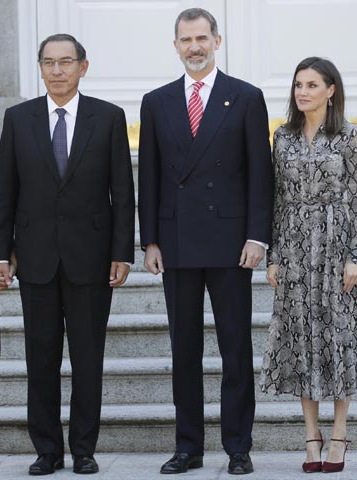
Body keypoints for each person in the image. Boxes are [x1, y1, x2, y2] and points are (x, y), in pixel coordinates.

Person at [0, 33, 135, 476]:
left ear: (83, 67)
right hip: (34, 259)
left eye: (66, 62)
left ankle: (84, 449)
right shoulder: (18, 118)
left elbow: (122, 193)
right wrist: (0, 255)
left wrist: (122, 252)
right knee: (41, 357)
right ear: (40, 67)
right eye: (49, 62)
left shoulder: (108, 118)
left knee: (89, 358)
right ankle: (47, 450)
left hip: (91, 259)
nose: (57, 70)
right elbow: (4, 194)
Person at [137, 8, 273, 476]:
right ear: (175, 45)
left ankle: (238, 446)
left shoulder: (246, 97)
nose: (194, 46)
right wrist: (149, 240)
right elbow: (150, 177)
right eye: (185, 39)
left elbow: (261, 172)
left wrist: (259, 235)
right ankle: (188, 447)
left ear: (218, 40)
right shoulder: (156, 102)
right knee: (184, 350)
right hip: (176, 243)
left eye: (201, 37)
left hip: (233, 243)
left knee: (235, 349)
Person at [259, 57, 357, 474]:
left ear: (331, 90)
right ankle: (311, 437)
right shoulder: (283, 137)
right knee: (301, 340)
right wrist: (273, 256)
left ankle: (340, 434)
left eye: (312, 84)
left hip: (335, 246)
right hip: (294, 248)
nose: (303, 91)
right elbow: (275, 199)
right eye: (298, 84)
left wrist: (355, 258)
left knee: (338, 338)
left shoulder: (348, 137)